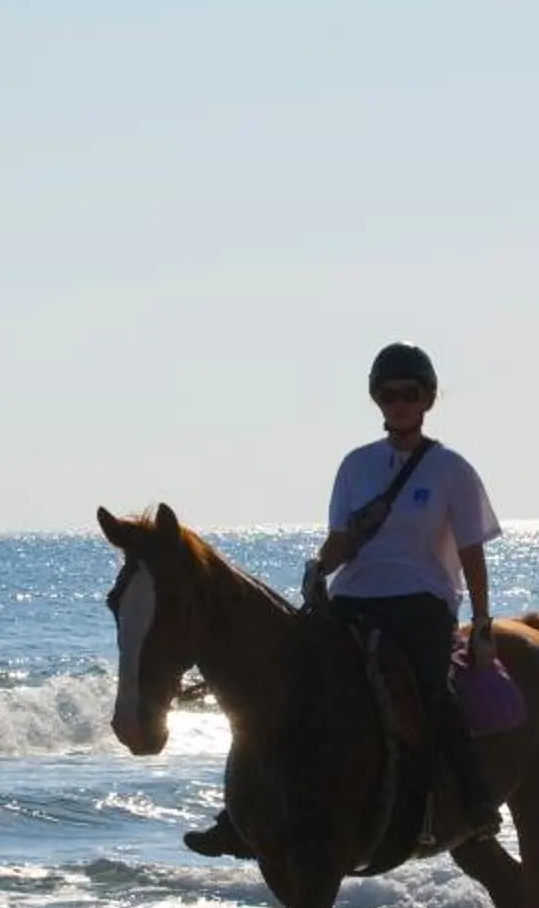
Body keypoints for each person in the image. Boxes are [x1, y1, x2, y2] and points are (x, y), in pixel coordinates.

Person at [184, 342, 503, 856]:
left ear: (427, 400)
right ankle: (241, 812)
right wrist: (319, 567)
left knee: (431, 690)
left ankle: (475, 800)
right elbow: (341, 541)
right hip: (354, 594)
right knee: (284, 681)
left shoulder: (451, 471)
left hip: (422, 599)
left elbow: (470, 551)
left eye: (410, 394)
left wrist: (482, 620)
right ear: (377, 400)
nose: (399, 403)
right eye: (389, 395)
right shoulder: (355, 466)